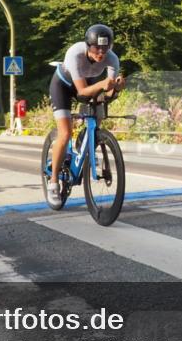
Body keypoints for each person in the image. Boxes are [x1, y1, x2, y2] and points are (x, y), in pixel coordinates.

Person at [46, 24, 125, 208]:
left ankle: (85, 145)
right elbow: (81, 91)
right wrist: (105, 84)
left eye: (105, 48)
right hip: (63, 86)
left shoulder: (112, 59)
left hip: (88, 84)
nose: (101, 53)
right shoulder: (75, 53)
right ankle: (54, 182)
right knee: (65, 133)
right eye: (97, 48)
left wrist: (116, 89)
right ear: (88, 46)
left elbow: (107, 93)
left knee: (97, 117)